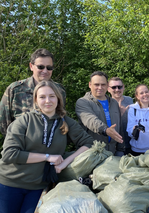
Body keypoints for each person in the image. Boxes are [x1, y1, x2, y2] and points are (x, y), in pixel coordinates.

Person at [0, 81, 93, 213]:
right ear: (36, 100)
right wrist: (47, 157)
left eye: (52, 96)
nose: (48, 101)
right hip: (9, 183)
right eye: (42, 97)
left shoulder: (66, 121)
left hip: (39, 187)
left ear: (58, 98)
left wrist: (64, 162)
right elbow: (9, 154)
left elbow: (88, 143)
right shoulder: (24, 121)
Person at [0, 48, 66, 136]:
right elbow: (3, 123)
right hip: (21, 145)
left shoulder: (59, 90)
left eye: (49, 67)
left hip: (52, 145)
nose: (45, 71)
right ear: (31, 66)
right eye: (41, 67)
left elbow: (61, 117)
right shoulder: (15, 89)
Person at [75, 71, 124, 156]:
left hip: (113, 152)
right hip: (92, 153)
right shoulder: (83, 102)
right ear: (90, 85)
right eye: (96, 84)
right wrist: (105, 130)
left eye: (103, 84)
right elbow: (91, 120)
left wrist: (120, 149)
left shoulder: (113, 102)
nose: (100, 87)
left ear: (107, 85)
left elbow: (119, 126)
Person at [108, 77, 133, 154]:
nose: (117, 90)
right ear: (108, 89)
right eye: (113, 87)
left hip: (132, 143)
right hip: (116, 146)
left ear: (123, 87)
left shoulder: (129, 100)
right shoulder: (106, 104)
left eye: (119, 87)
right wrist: (119, 114)